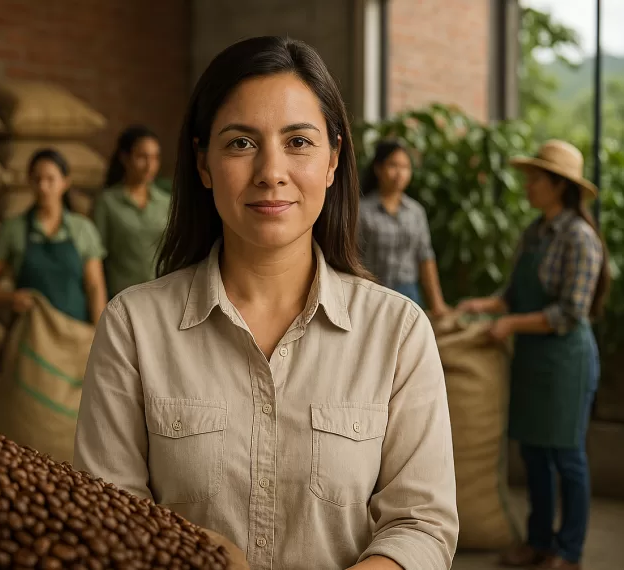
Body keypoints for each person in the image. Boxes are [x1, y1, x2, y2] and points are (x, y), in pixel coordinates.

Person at [75, 36, 458, 570]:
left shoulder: (397, 330)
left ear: (333, 159)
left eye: (298, 141)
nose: (271, 172)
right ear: (203, 163)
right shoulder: (134, 326)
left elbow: (422, 525)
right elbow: (109, 519)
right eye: (240, 143)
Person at [458, 140, 609, 570]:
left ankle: (568, 550)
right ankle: (539, 541)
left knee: (566, 456)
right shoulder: (535, 233)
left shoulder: (580, 238)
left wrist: (509, 325)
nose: (527, 186)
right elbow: (513, 294)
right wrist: (483, 306)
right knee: (535, 455)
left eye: (535, 179)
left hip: (565, 362)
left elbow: (570, 312)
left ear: (559, 185)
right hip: (532, 360)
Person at [0, 148, 108, 325]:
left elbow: (95, 287)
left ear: (65, 182)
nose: (43, 186)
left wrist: (99, 333)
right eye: (37, 179)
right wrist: (11, 298)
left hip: (74, 332)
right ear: (29, 181)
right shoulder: (13, 229)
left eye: (50, 179)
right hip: (30, 332)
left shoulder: (82, 229)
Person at [358, 139, 449, 314]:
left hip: (409, 296)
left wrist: (437, 304)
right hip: (373, 295)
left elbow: (425, 257)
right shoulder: (361, 211)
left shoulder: (416, 212)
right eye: (393, 165)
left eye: (405, 167)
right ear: (378, 168)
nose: (400, 173)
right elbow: (353, 257)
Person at [93, 125, 170, 298]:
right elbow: (96, 257)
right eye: (142, 157)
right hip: (122, 296)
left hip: (162, 295)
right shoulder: (107, 202)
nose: (150, 165)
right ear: (124, 158)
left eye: (155, 158)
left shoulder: (166, 202)